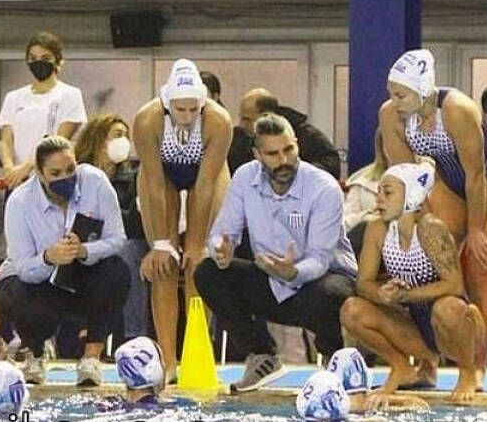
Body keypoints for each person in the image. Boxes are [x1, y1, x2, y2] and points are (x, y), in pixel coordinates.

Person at [195, 113, 357, 392]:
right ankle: (262, 356)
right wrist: (220, 251)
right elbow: (224, 232)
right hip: (272, 279)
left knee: (325, 292)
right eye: (273, 154)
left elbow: (321, 258)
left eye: (288, 150)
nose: (283, 160)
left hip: (324, 280)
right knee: (208, 272)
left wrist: (293, 272)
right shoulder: (245, 177)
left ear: (297, 145)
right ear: (257, 154)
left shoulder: (324, 187)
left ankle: (334, 361)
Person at [379, 49, 487, 381]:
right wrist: (422, 231)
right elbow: (406, 178)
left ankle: (477, 364)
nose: (394, 102)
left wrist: (476, 231)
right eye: (391, 94)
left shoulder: (456, 110)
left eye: (401, 95)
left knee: (481, 268)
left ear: (423, 89)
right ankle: (429, 360)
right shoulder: (391, 115)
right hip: (447, 183)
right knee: (428, 262)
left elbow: (476, 175)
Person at [340, 163, 485, 403]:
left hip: (455, 329)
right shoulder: (377, 230)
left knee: (448, 307)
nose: (379, 200)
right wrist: (383, 293)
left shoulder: (431, 229)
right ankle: (401, 367)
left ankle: (468, 370)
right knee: (351, 309)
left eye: (387, 193)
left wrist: (408, 295)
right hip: (415, 328)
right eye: (379, 192)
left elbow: (454, 286)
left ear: (410, 197)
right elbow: (363, 284)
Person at [0, 135, 128, 386]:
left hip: (80, 272)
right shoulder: (20, 201)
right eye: (55, 173)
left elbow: (117, 238)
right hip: (37, 277)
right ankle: (34, 353)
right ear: (39, 173)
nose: (65, 178)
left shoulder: (96, 182)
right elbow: (23, 268)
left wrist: (84, 250)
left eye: (70, 169)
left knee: (116, 271)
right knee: (19, 294)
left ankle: (91, 358)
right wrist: (48, 257)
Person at [131, 59, 233, 379]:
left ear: (203, 104)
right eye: (180, 110)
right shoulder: (147, 120)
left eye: (193, 110)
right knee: (165, 263)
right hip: (161, 178)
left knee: (196, 264)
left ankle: (196, 353)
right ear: (166, 104)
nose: (187, 117)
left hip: (207, 176)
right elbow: (154, 182)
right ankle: (168, 361)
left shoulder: (219, 121)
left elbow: (205, 185)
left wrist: (197, 244)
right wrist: (163, 243)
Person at [75, 113, 146, 341]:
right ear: (98, 139)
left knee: (127, 252)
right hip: (83, 239)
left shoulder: (134, 176)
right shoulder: (76, 174)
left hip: (121, 241)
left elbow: (134, 223)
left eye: (126, 136)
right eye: (117, 135)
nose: (123, 141)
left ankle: (134, 336)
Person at [0, 31, 87, 188]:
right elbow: (6, 141)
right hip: (18, 180)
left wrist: (27, 167)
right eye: (33, 58)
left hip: (52, 179)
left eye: (45, 58)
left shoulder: (70, 94)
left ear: (57, 60)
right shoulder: (13, 97)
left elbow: (59, 140)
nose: (38, 63)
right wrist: (9, 168)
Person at [230, 88, 341, 179]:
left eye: (247, 119)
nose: (241, 125)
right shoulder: (238, 138)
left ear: (266, 116)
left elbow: (331, 163)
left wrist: (294, 175)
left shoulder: (306, 135)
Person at [326, 347, 428, 413]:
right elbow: (422, 406)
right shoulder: (373, 404)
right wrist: (393, 400)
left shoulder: (327, 407)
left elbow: (422, 405)